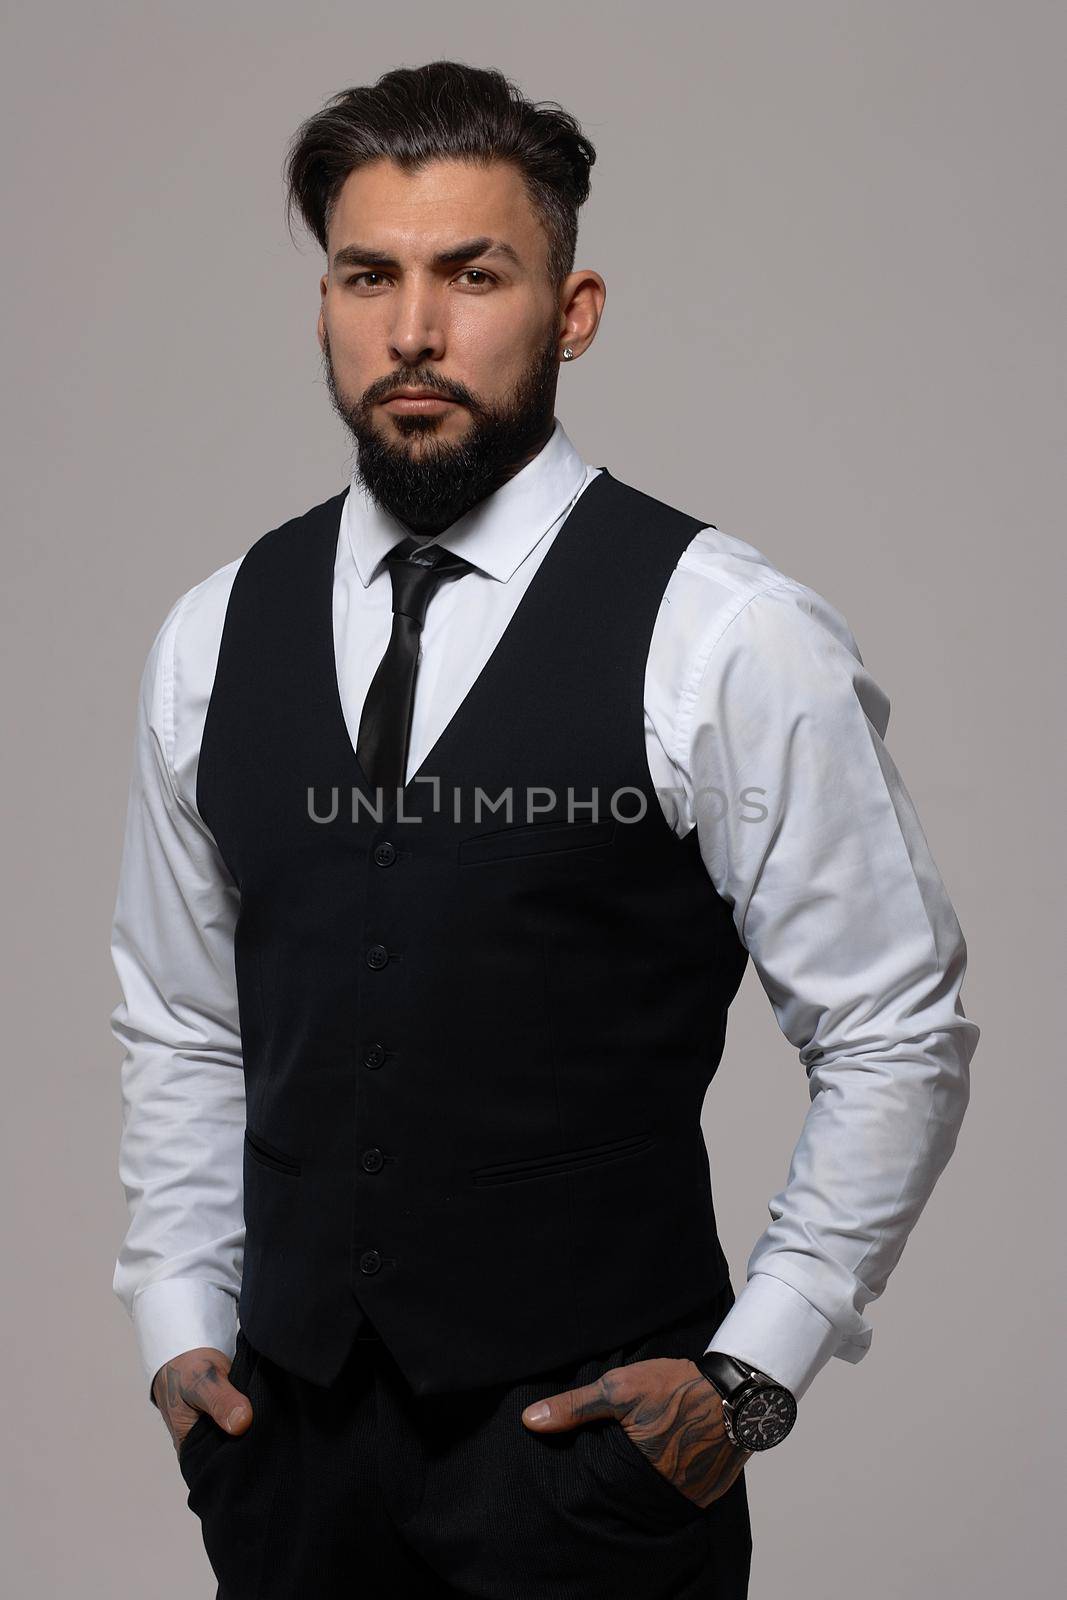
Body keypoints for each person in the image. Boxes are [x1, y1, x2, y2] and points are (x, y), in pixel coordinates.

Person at [109, 60, 979, 1600]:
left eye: (473, 274)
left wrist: (749, 1376)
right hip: (288, 1462)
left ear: (570, 311)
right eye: (368, 275)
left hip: (589, 1467)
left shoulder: (723, 633)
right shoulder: (210, 634)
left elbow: (896, 1023)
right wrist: (180, 1324)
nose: (415, 328)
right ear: (324, 305)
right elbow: (181, 1019)